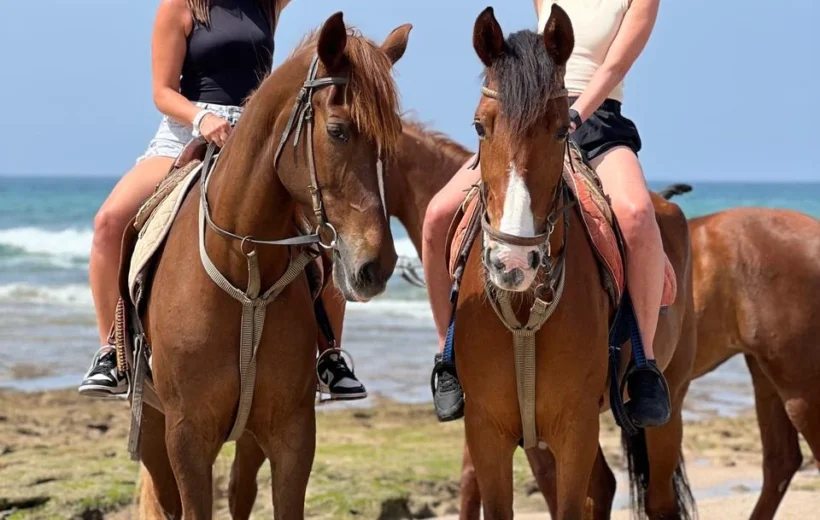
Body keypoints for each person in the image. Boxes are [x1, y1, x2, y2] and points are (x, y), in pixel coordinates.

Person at [78, 0, 366, 400]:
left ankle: (329, 356)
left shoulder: (267, 4)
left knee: (327, 227)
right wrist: (202, 119)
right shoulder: (179, 6)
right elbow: (162, 92)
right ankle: (112, 352)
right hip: (187, 132)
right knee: (109, 222)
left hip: (257, 136)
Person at [424, 0, 671, 428]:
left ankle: (644, 365)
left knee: (636, 214)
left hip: (597, 123)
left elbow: (614, 67)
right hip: (531, 118)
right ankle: (447, 355)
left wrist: (574, 115)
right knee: (436, 215)